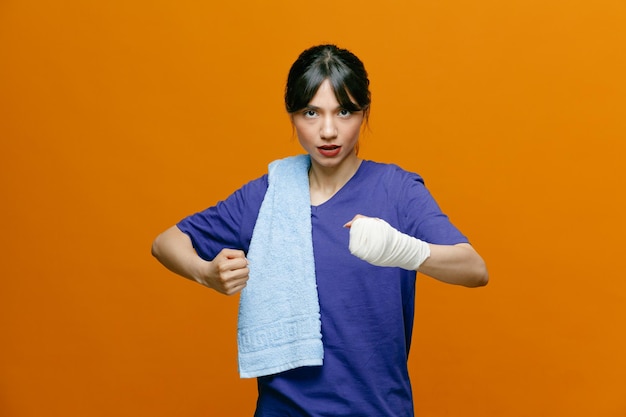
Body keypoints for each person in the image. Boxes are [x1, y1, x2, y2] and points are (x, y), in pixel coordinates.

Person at [152, 44, 488, 417]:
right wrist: (205, 273)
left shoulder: (397, 190)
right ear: (293, 116)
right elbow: (166, 242)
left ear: (364, 113)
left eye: (344, 112)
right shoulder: (268, 196)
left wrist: (402, 249)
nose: (328, 131)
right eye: (311, 113)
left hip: (377, 408)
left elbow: (474, 269)